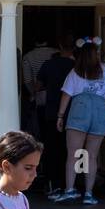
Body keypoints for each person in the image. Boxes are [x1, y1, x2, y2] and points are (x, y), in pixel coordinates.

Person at [52, 38, 105, 205]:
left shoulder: (75, 72)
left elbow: (66, 95)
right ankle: (89, 194)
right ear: (96, 54)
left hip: (80, 108)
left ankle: (70, 190)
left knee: (73, 154)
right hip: (100, 110)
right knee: (92, 156)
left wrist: (60, 116)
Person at [35, 35, 76, 196]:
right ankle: (72, 184)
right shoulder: (76, 65)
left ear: (59, 45)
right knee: (72, 150)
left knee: (52, 149)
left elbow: (38, 86)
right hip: (74, 113)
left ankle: (52, 183)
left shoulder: (49, 64)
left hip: (52, 111)